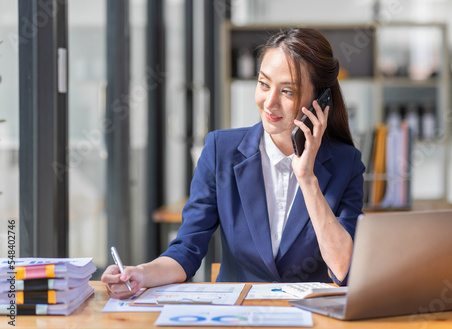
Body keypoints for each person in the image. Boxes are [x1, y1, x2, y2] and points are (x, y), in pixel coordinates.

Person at [102, 28, 365, 299]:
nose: (269, 102)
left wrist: (307, 179)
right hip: (237, 315)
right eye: (264, 84)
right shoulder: (221, 151)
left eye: (287, 91)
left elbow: (343, 269)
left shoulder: (347, 164)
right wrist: (141, 273)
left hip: (310, 318)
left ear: (319, 100)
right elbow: (187, 251)